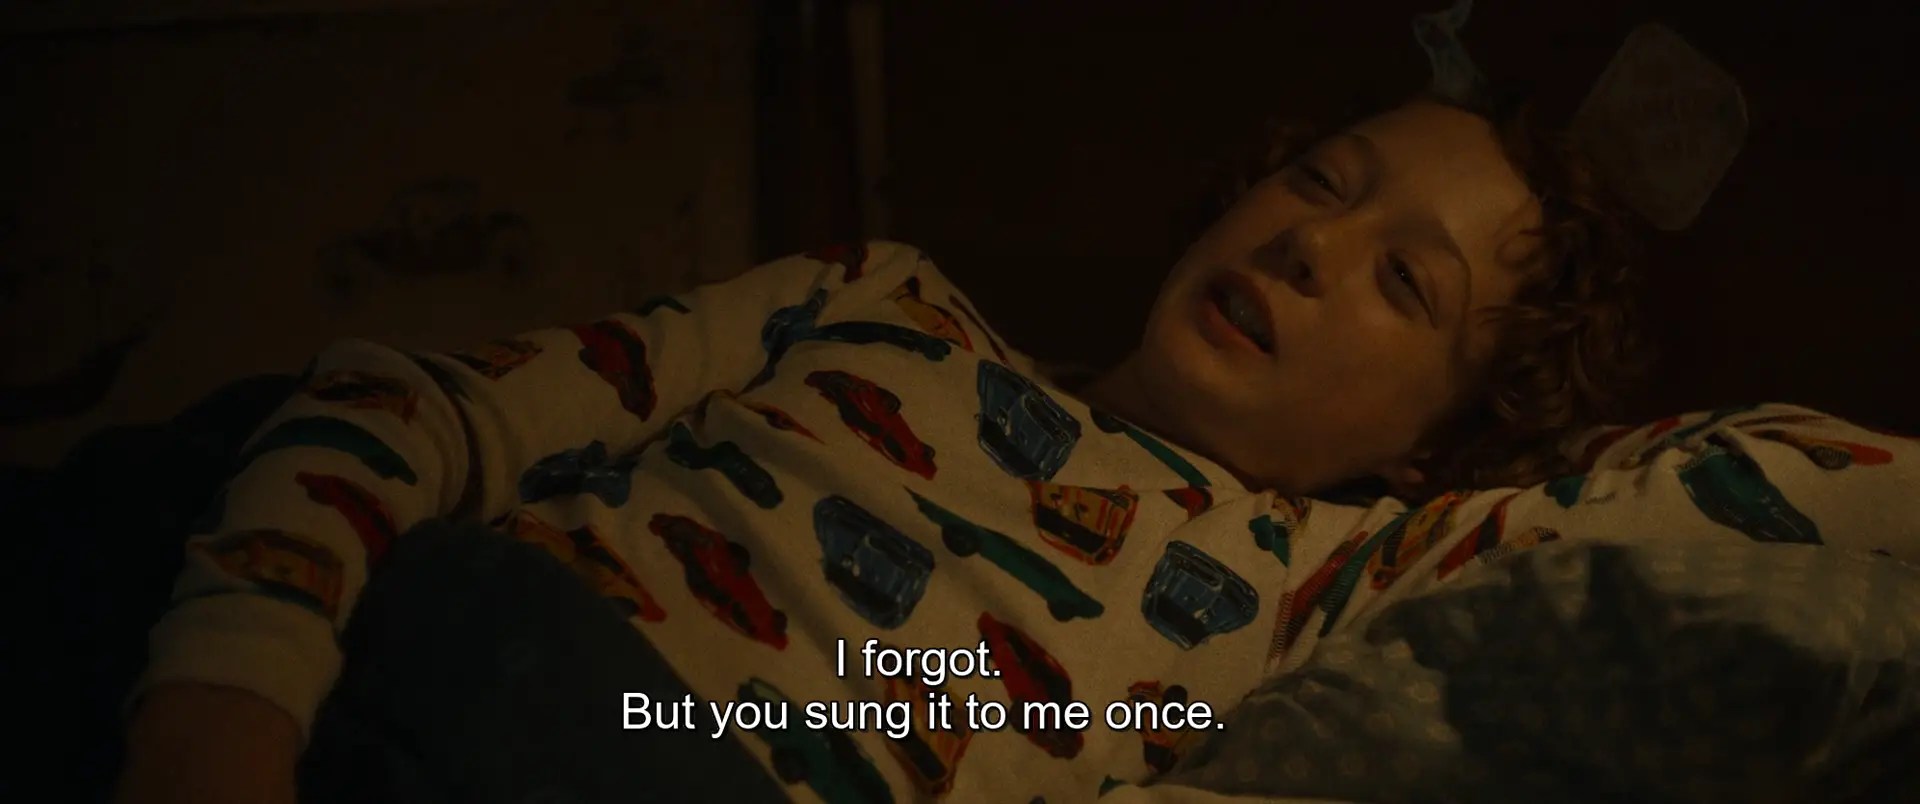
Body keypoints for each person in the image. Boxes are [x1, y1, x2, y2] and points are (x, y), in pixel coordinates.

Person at [113, 95, 1916, 804]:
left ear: (1433, 445)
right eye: (1320, 180)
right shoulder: (887, 302)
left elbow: (1746, 486)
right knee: (185, 476)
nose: (1308, 243)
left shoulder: (1319, 578)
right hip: (412, 625)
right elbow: (419, 407)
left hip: (684, 772)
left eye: (1403, 281)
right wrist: (227, 703)